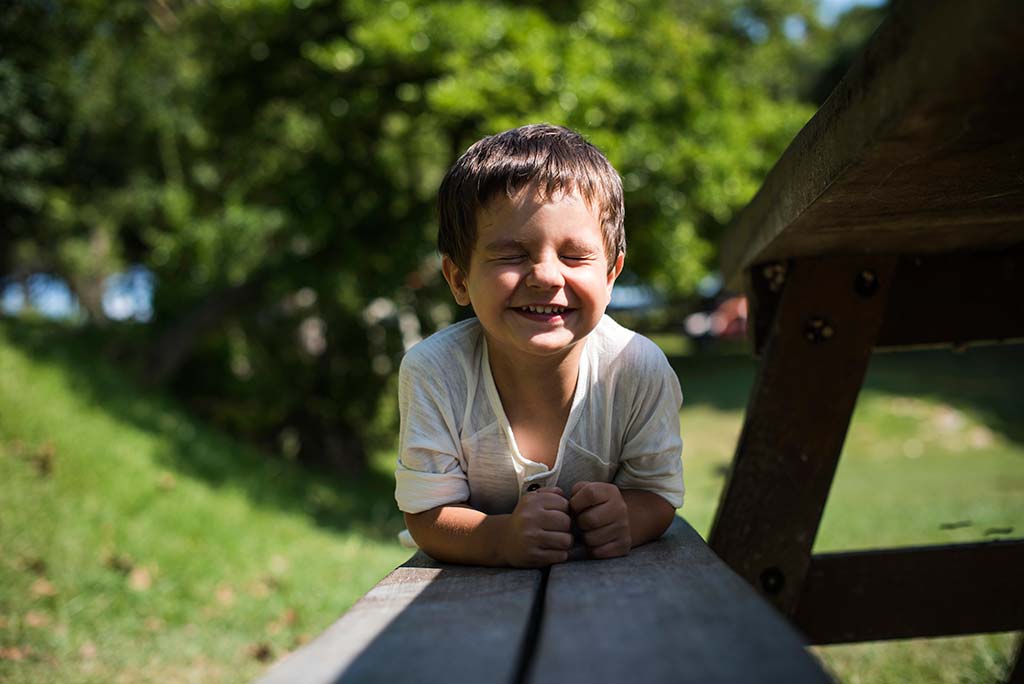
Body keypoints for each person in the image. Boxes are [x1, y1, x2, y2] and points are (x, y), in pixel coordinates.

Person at [394, 124, 683, 568]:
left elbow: (657, 494)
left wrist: (626, 516)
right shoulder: (435, 370)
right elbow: (426, 515)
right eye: (511, 255)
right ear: (459, 279)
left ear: (611, 275)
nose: (546, 277)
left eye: (574, 256)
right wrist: (499, 538)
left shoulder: (637, 367)